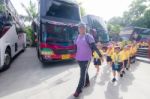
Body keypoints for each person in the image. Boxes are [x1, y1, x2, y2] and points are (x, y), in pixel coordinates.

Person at [73, 23, 102, 97]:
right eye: (80, 28)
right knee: (84, 71)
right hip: (79, 58)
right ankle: (87, 82)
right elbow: (76, 47)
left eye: (83, 27)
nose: (81, 29)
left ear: (85, 28)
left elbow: (94, 47)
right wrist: (75, 55)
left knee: (82, 74)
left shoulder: (88, 36)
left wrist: (100, 55)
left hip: (86, 58)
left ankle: (78, 90)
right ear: (78, 29)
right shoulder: (77, 36)